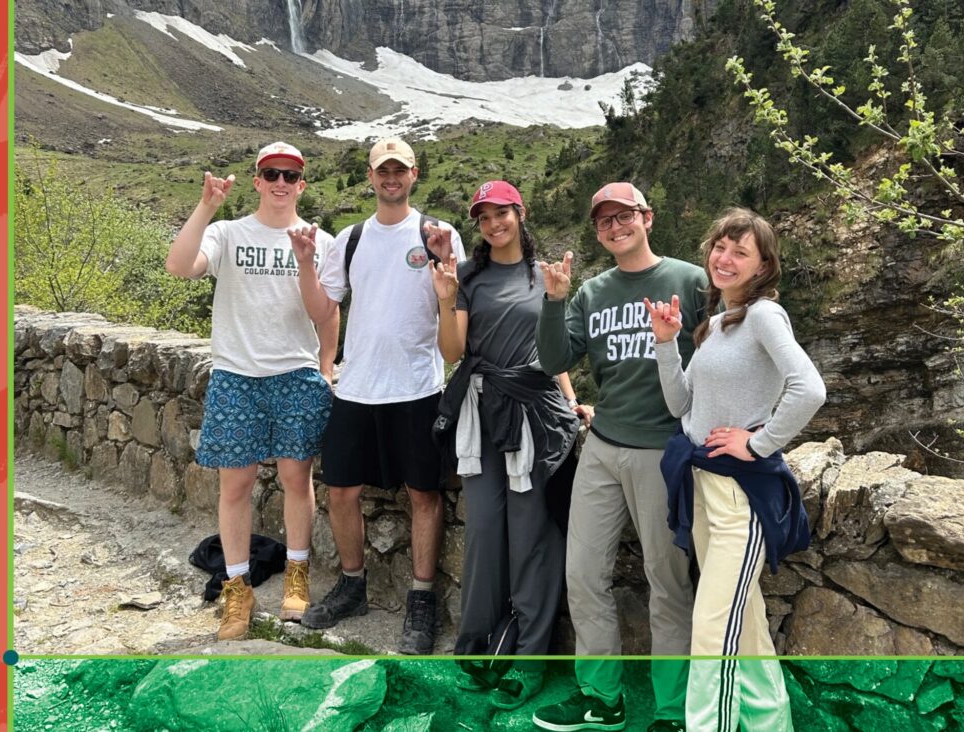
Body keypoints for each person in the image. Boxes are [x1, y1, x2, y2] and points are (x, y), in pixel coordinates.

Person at [533, 182, 707, 732]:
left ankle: (673, 712)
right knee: (583, 574)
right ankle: (601, 699)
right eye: (604, 221)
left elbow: (724, 351)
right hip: (603, 448)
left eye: (624, 215)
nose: (615, 226)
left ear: (647, 218)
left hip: (664, 451)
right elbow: (555, 357)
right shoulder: (592, 292)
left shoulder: (690, 280)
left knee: (668, 583)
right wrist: (555, 299)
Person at [647, 208, 825, 731]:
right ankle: (773, 724)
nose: (725, 258)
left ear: (762, 265)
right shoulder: (719, 325)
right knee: (743, 628)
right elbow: (682, 406)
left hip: (737, 496)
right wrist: (665, 343)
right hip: (703, 486)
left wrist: (759, 442)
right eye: (720, 247)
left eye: (740, 251)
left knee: (712, 628)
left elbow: (810, 389)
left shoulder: (765, 315)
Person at [289, 137, 465, 655]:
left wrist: (444, 264)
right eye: (383, 170)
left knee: (423, 495)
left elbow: (453, 301)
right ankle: (352, 584)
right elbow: (325, 309)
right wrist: (304, 263)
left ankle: (421, 599)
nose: (391, 178)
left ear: (414, 174)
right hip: (359, 386)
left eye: (400, 169)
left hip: (417, 386)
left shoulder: (437, 232)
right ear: (370, 176)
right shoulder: (352, 237)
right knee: (340, 490)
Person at [165, 142, 337, 640]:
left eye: (290, 175)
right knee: (235, 486)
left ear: (301, 185)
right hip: (236, 375)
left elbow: (324, 312)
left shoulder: (317, 240)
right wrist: (207, 206)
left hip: (294, 375)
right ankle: (238, 589)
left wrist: (326, 366)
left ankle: (297, 578)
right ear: (257, 181)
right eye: (271, 174)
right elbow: (179, 267)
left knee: (295, 478)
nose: (281, 183)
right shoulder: (226, 232)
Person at [432, 181, 582, 708]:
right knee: (484, 530)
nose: (494, 224)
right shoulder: (468, 278)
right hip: (481, 409)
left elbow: (553, 351)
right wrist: (446, 299)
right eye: (484, 217)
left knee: (531, 534)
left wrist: (573, 400)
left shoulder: (544, 277)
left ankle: (530, 657)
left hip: (533, 413)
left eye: (502, 214)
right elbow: (453, 351)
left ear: (520, 214)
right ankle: (477, 644)